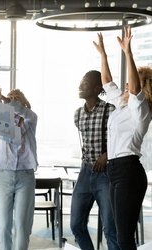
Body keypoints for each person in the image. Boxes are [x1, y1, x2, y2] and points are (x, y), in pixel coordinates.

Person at [93, 27, 152, 250]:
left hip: (129, 171)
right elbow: (107, 82)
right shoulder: (122, 104)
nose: (126, 86)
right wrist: (103, 56)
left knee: (125, 237)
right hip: (116, 170)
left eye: (130, 84)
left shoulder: (141, 111)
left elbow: (135, 87)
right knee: (119, 233)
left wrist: (129, 53)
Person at [0, 68, 38, 250]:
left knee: (22, 227)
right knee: (2, 227)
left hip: (25, 176)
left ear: (24, 104)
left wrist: (7, 100)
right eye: (10, 100)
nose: (12, 104)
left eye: (16, 100)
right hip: (4, 176)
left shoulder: (31, 119)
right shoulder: (4, 121)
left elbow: (20, 110)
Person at [70, 70, 119, 250]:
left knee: (110, 229)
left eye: (85, 83)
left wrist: (106, 156)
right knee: (76, 225)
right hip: (85, 172)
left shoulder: (110, 110)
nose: (80, 86)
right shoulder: (78, 114)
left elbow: (119, 140)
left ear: (97, 88)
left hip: (105, 175)